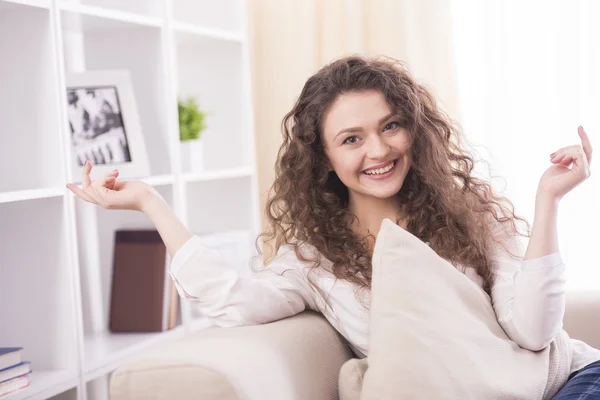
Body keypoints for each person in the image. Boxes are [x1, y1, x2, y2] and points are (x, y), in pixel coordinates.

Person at [66, 55, 600, 398]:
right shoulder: (314, 260)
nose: (379, 150)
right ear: (322, 159)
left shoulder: (470, 215)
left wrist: (547, 200)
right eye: (351, 139)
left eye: (391, 126)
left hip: (570, 383)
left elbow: (533, 332)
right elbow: (234, 302)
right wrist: (151, 204)